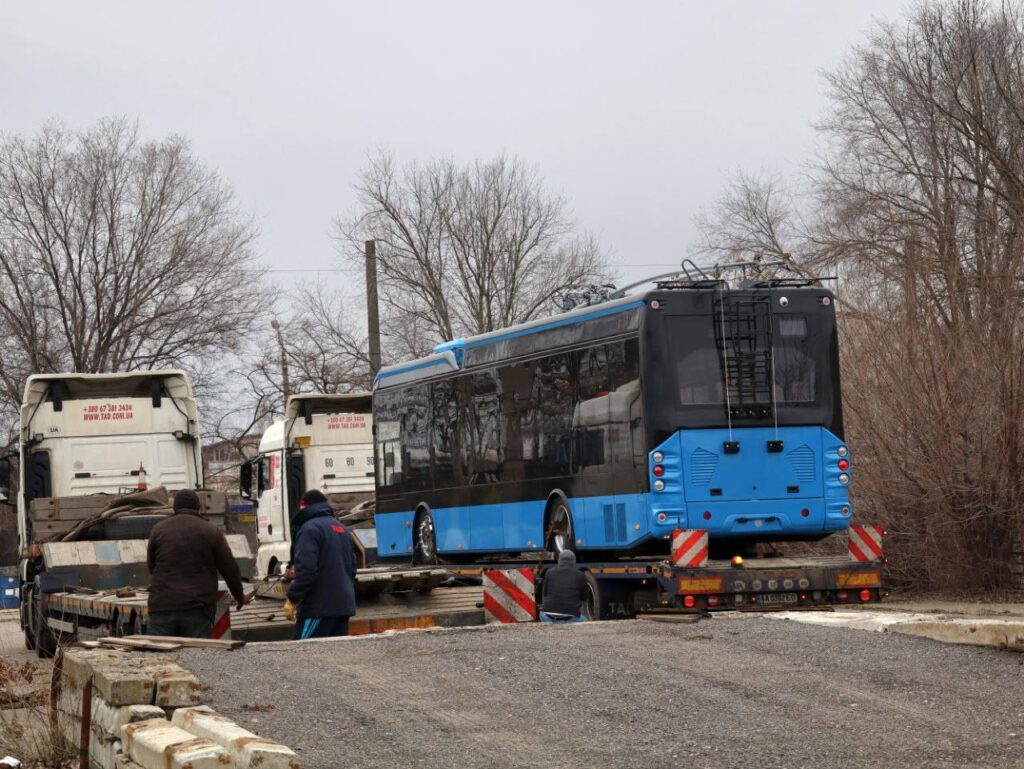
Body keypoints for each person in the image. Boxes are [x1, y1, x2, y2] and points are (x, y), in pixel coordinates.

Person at [147, 489, 251, 638]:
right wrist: (239, 596)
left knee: (159, 659)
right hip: (196, 609)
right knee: (197, 657)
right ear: (198, 508)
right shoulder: (210, 530)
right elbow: (229, 568)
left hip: (162, 607)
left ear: (174, 508)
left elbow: (151, 567)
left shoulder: (158, 530)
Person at [286, 489, 358, 640]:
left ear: (304, 506)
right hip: (343, 608)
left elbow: (307, 571)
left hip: (319, 609)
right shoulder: (342, 529)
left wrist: (292, 597)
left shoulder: (309, 529)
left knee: (298, 654)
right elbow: (352, 569)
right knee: (332, 657)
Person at [539, 550, 590, 623]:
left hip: (548, 617)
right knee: (585, 621)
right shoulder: (580, 575)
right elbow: (584, 597)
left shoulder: (549, 572)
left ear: (559, 560)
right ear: (574, 561)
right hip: (570, 618)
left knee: (542, 614)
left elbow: (545, 594)